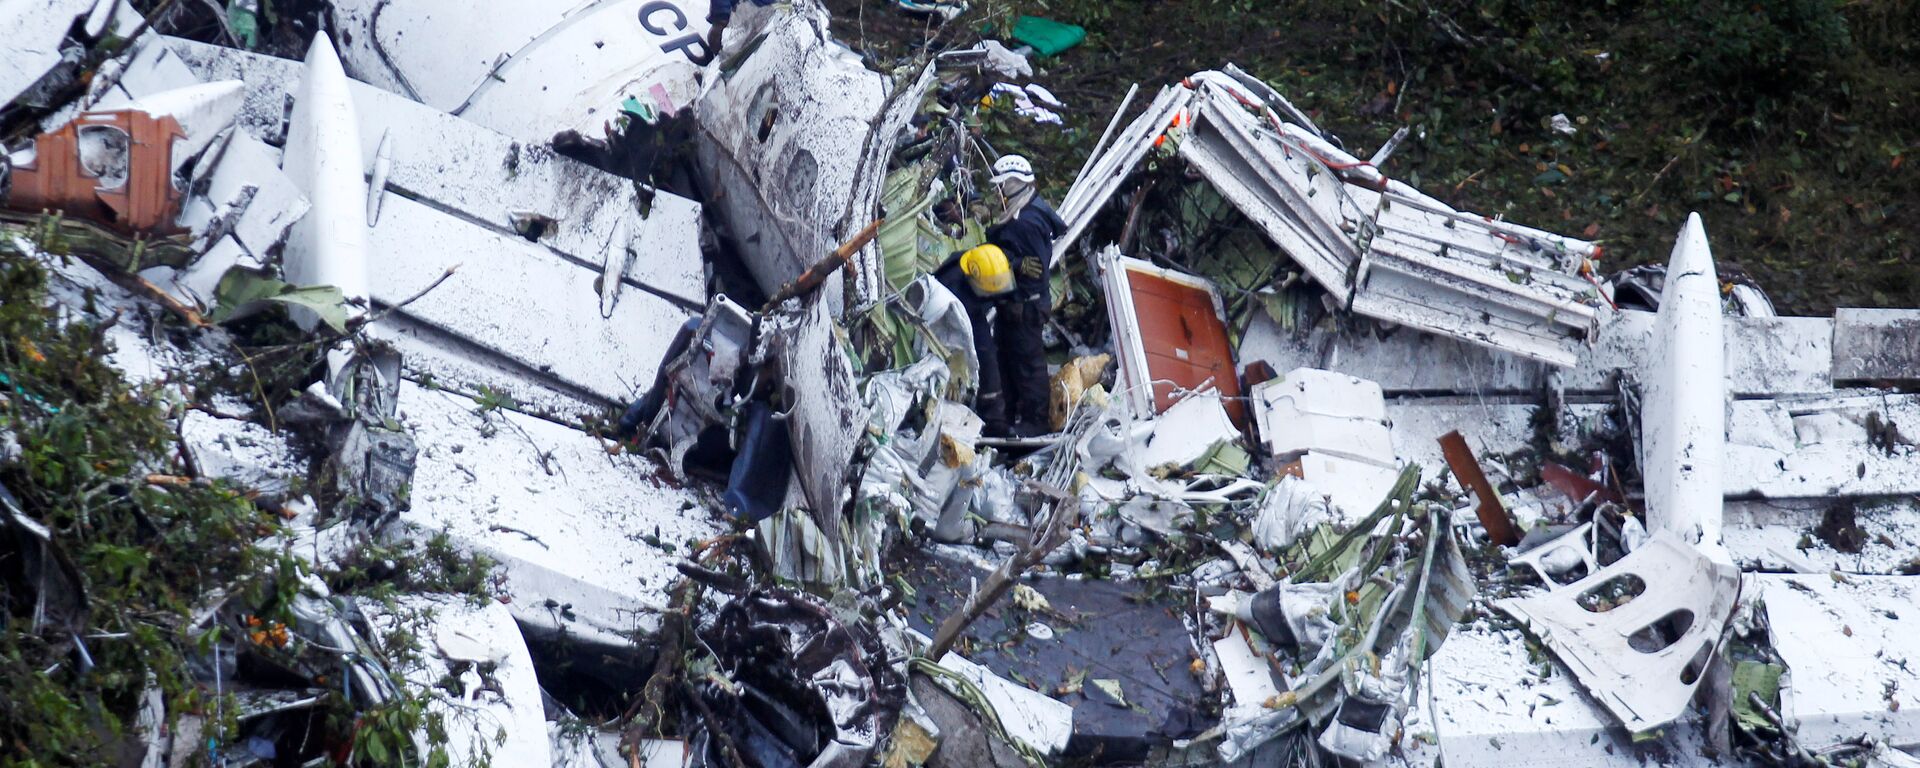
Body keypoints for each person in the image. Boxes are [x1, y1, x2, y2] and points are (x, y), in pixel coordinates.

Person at [983, 154, 1066, 437]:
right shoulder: (1021, 214)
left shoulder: (1028, 222)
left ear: (1015, 184)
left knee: (1029, 366)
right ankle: (1008, 418)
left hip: (1024, 309)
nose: (998, 193)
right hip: (1012, 307)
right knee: (1006, 362)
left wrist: (1012, 264)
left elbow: (1036, 270)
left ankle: (1035, 421)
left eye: (1001, 186)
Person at [934, 244, 1018, 435]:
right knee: (983, 355)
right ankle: (983, 419)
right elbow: (942, 332)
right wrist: (954, 361)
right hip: (954, 317)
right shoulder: (949, 286)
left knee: (990, 355)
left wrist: (1009, 301)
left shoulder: (990, 262)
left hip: (975, 304)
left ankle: (996, 416)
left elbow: (998, 280)